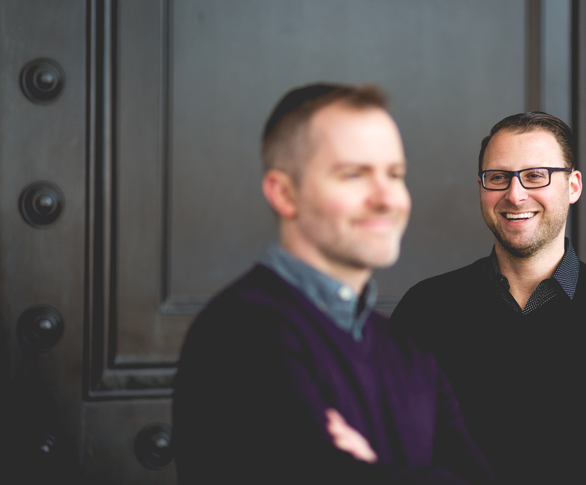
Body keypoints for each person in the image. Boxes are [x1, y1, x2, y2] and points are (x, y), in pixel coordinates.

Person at [172, 83, 494, 484]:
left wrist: (370, 473)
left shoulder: (409, 354)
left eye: (394, 174)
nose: (386, 197)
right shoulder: (240, 332)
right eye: (354, 174)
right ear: (285, 194)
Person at [390, 111, 586, 484]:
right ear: (481, 187)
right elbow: (387, 449)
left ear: (573, 186)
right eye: (498, 177)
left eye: (536, 175)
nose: (515, 194)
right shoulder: (427, 308)